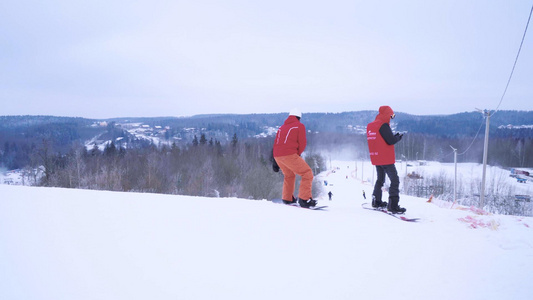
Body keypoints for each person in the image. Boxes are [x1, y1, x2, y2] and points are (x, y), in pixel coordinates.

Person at [273, 109, 317, 208]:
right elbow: (302, 143)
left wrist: (274, 161)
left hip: (277, 156)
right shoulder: (299, 126)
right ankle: (304, 199)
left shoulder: (281, 127)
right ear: (299, 117)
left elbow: (276, 143)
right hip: (289, 154)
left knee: (289, 175)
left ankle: (287, 198)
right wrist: (297, 154)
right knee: (307, 173)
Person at [366, 106, 406, 213]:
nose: (392, 118)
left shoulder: (371, 126)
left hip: (376, 157)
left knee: (380, 179)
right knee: (395, 180)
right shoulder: (383, 125)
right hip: (385, 158)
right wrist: (398, 137)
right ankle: (393, 205)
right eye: (391, 115)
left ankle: (376, 201)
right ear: (387, 114)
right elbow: (390, 140)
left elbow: (380, 139)